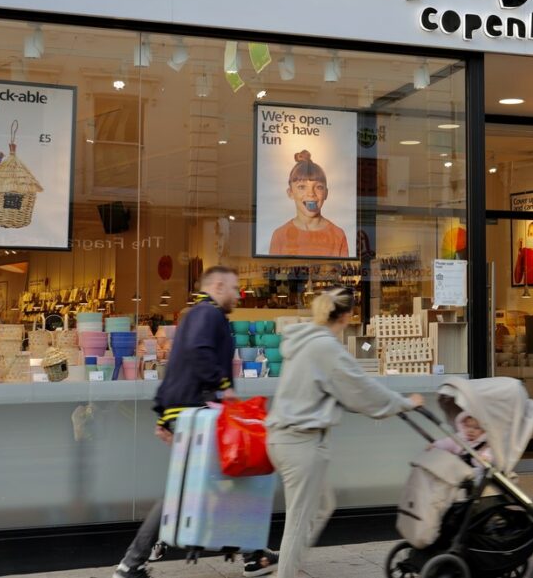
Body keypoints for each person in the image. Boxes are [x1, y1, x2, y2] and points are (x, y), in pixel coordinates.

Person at [113, 266, 278, 578]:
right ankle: (131, 563)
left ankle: (252, 554)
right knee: (195, 485)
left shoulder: (196, 315)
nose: (238, 294)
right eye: (233, 287)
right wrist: (223, 387)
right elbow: (199, 354)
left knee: (225, 478)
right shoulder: (208, 314)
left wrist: (165, 413)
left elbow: (178, 364)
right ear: (217, 286)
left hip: (186, 411)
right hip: (198, 412)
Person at [266, 286, 425, 578]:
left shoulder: (304, 340)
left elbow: (342, 390)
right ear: (348, 315)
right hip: (301, 442)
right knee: (299, 521)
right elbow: (361, 388)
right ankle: (287, 571)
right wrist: (404, 403)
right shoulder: (325, 347)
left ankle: (292, 563)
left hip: (282, 437)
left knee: (323, 504)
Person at [269, 150, 349, 257]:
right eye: (302, 187)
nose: (311, 194)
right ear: (290, 193)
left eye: (319, 187)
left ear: (326, 193)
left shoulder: (338, 235)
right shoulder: (279, 235)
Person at [430, 412, 494, 483]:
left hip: (475, 470)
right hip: (459, 468)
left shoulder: (486, 444)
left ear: (484, 431)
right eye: (468, 426)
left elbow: (490, 454)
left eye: (477, 428)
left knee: (480, 472)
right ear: (463, 426)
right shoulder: (460, 438)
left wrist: (486, 458)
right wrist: (435, 445)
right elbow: (447, 443)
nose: (471, 430)